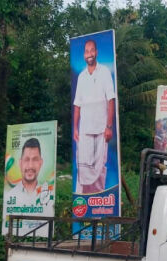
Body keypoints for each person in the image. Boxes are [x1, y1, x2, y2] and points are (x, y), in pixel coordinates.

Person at [73, 38, 116, 194]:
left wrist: (109, 127)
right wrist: (75, 128)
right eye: (87, 51)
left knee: (100, 165)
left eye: (92, 50)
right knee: (83, 165)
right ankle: (82, 198)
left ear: (96, 52)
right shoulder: (81, 76)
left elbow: (111, 100)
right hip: (84, 130)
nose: (89, 54)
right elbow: (77, 104)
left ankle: (99, 196)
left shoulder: (104, 72)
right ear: (84, 55)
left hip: (101, 130)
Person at [6, 138, 45, 207]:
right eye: (26, 159)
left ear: (41, 163)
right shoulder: (10, 196)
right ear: (20, 163)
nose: (30, 166)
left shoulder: (47, 196)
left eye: (35, 159)